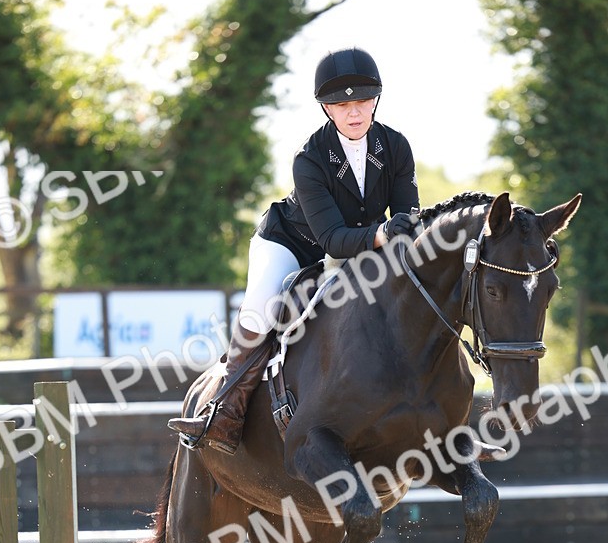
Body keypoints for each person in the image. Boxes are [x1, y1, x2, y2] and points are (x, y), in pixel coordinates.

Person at [169, 47, 420, 454]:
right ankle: (225, 410)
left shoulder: (395, 147)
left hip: (360, 246)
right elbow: (332, 239)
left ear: (376, 100)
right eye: (342, 104)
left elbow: (406, 217)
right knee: (262, 310)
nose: (354, 113)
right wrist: (382, 235)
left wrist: (407, 231)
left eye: (362, 102)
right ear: (326, 108)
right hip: (291, 243)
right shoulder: (310, 158)